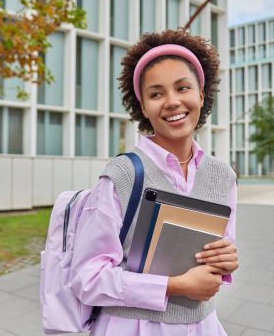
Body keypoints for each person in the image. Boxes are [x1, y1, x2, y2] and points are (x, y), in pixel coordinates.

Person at [70, 29, 239, 335]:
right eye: (156, 93)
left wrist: (226, 260)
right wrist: (174, 286)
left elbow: (218, 253)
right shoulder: (121, 175)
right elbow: (87, 278)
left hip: (202, 327)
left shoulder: (222, 175)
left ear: (201, 94)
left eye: (183, 88)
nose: (172, 102)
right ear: (143, 107)